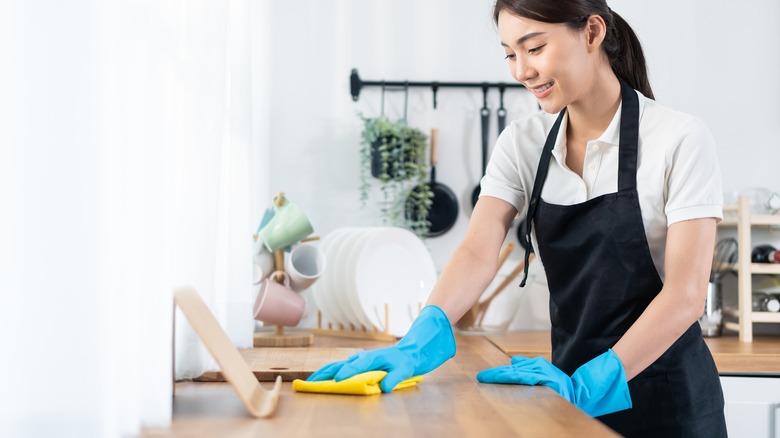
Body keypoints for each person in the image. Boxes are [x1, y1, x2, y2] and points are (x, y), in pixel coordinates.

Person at [309, 1, 727, 435]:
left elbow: (685, 295)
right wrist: (418, 339)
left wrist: (590, 384)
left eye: (535, 48)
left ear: (592, 32)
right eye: (510, 54)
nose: (521, 71)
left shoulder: (678, 139)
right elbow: (477, 249)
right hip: (563, 395)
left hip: (669, 402)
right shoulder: (523, 143)